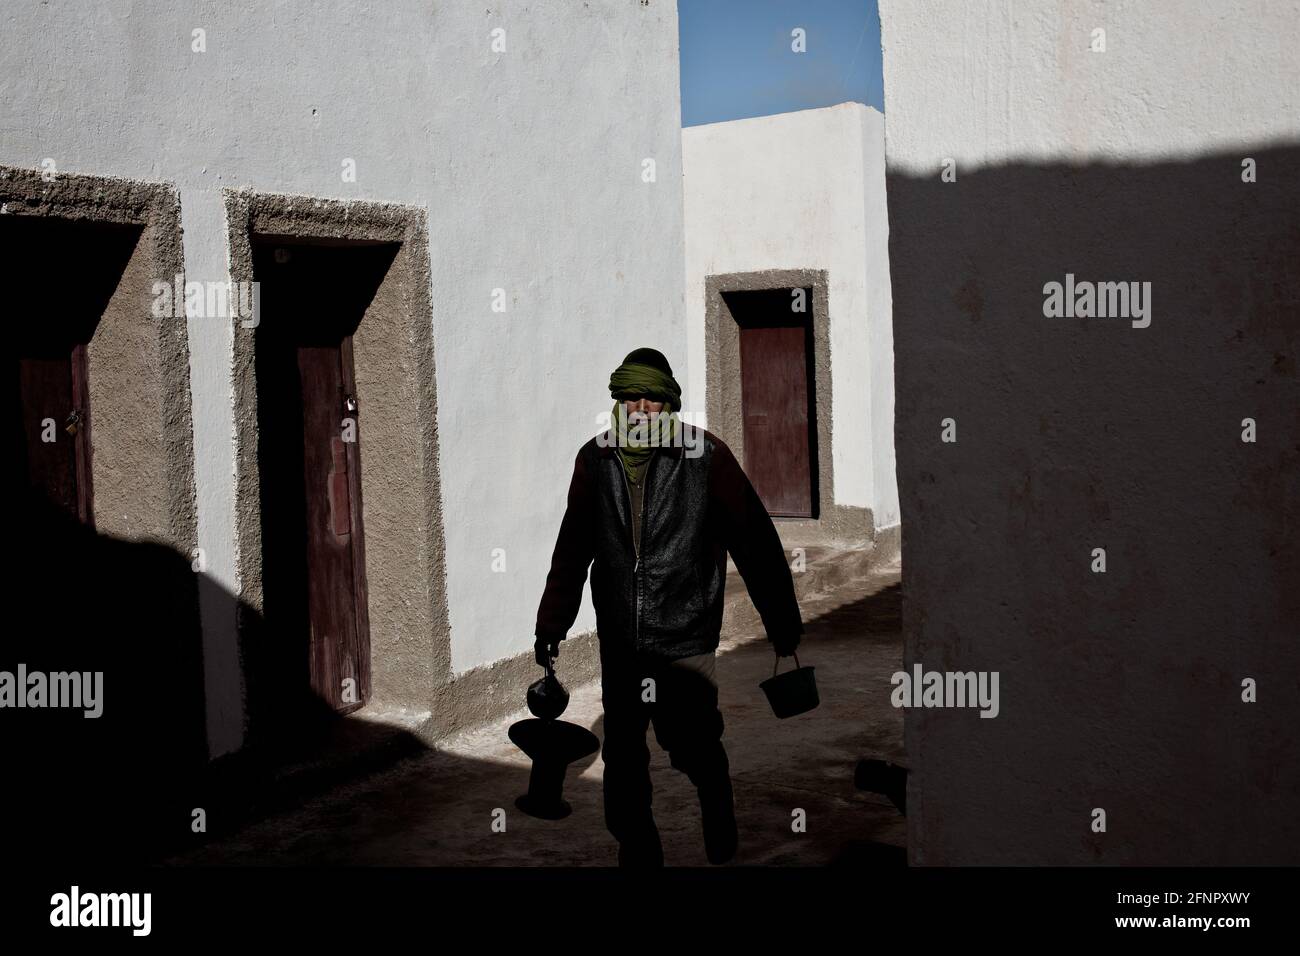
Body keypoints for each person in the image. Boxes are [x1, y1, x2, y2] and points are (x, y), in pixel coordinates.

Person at [533, 347, 803, 866]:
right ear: (617, 399)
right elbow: (572, 548)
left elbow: (755, 542)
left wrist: (782, 622)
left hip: (685, 635)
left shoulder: (705, 457)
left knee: (693, 745)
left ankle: (717, 809)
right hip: (622, 639)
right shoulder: (595, 458)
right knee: (623, 757)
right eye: (630, 396)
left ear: (669, 402)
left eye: (651, 398)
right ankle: (638, 852)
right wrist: (551, 622)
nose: (640, 408)